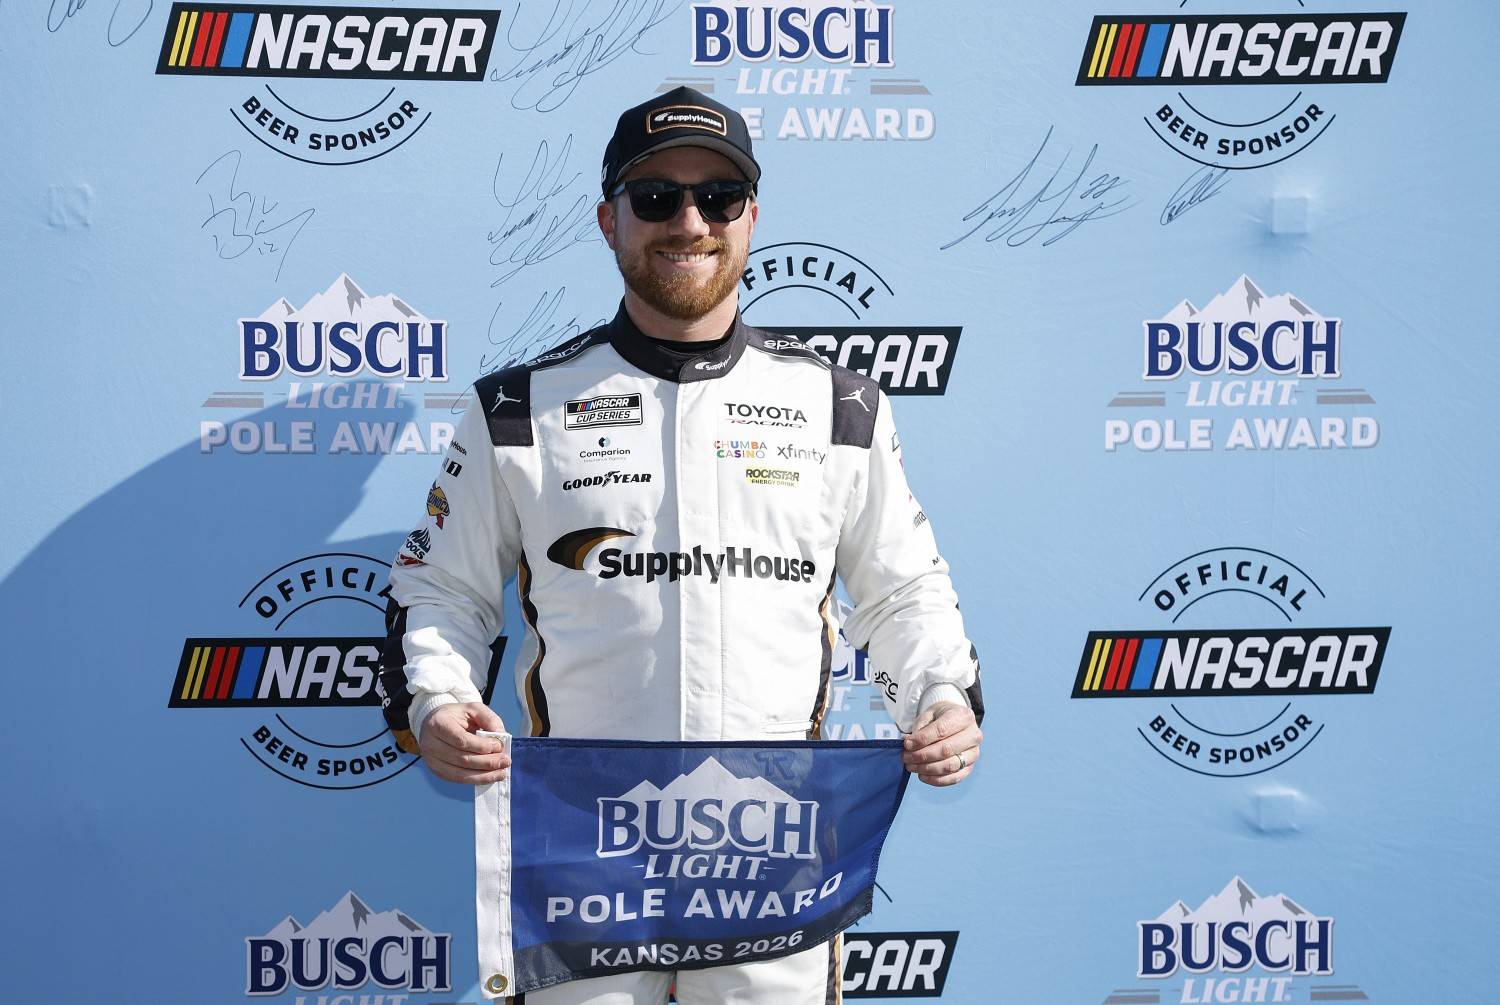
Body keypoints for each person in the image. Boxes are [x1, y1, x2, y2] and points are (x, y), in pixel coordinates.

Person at [377, 86, 985, 1005]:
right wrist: (437, 700)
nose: (689, 221)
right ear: (608, 219)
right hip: (584, 855)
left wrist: (940, 693)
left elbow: (903, 593)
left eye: (719, 198)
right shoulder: (518, 409)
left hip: (773, 856)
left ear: (751, 220)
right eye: (656, 197)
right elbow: (440, 594)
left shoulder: (840, 406)